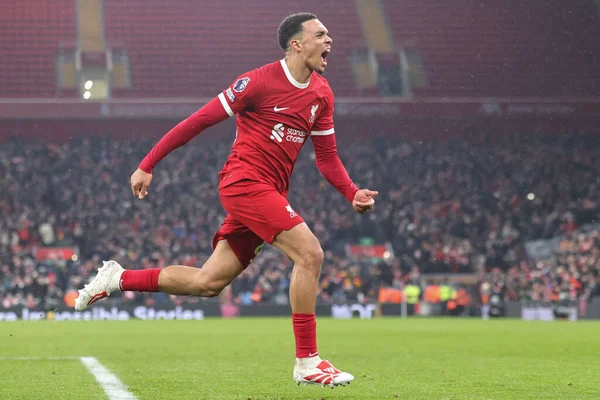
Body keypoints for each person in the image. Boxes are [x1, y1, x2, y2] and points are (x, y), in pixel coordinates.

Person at [74, 12, 378, 388]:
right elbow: (199, 120)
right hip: (244, 183)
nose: (329, 40)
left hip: (270, 193)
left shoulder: (322, 94)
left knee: (208, 282)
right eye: (321, 34)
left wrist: (351, 191)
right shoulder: (258, 82)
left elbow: (328, 158)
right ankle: (307, 361)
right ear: (296, 44)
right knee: (310, 253)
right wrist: (148, 163)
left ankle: (118, 278)